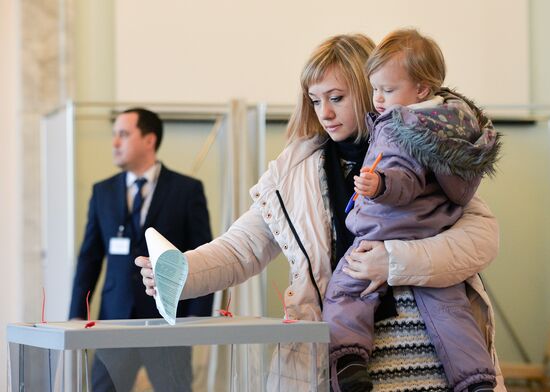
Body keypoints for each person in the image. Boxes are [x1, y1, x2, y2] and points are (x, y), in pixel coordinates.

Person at [136, 34, 506, 391]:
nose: (325, 113)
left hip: (436, 359)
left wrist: (392, 260)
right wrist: (181, 274)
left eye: (336, 98)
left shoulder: (424, 148)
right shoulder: (292, 173)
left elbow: (479, 239)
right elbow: (242, 247)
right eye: (315, 100)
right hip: (337, 367)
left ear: (370, 88)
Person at [323, 28, 500, 392]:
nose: (379, 100)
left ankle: (349, 361)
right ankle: (476, 381)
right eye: (376, 90)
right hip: (427, 231)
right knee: (452, 313)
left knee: (345, 291)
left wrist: (381, 185)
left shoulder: (400, 126)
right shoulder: (448, 126)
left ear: (421, 89)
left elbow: (405, 178)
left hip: (386, 229)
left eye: (386, 90)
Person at [69, 107, 214, 391]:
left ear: (149, 140)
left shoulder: (186, 190)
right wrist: (77, 312)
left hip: (168, 321)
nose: (114, 143)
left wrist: (198, 317)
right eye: (114, 135)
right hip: (115, 320)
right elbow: (90, 256)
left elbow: (203, 253)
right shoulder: (103, 192)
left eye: (123, 134)